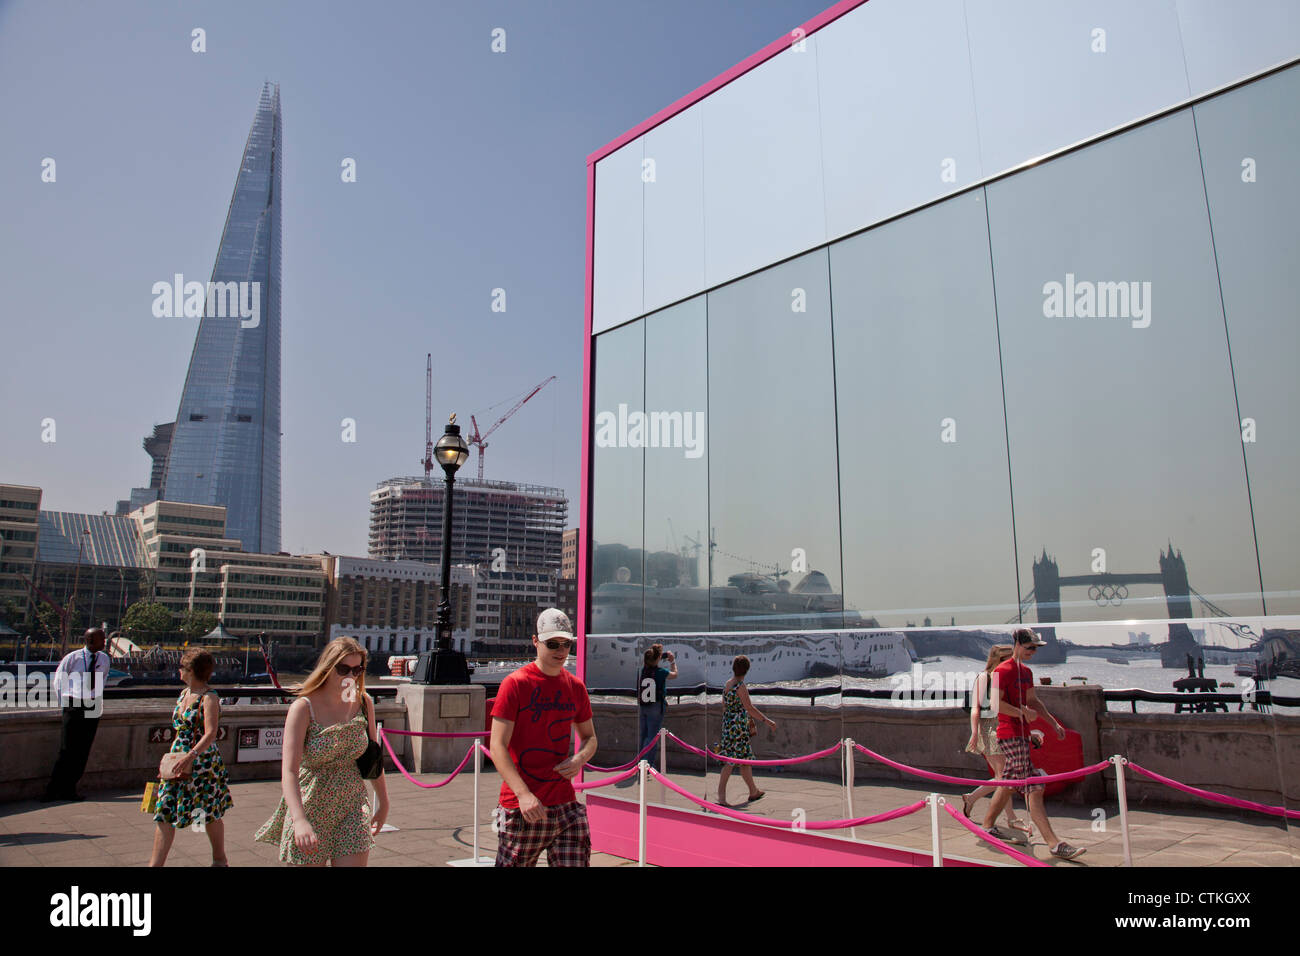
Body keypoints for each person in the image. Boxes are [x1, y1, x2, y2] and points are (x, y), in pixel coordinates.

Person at [255, 636, 389, 866]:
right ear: (327, 668)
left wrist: (384, 803)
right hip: (312, 802)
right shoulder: (304, 707)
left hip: (352, 804)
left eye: (357, 670)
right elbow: (289, 771)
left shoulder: (363, 702)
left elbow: (372, 760)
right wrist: (299, 819)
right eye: (343, 669)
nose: (350, 676)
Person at [489, 608, 597, 867]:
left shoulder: (575, 686)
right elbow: (497, 745)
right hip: (522, 807)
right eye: (553, 644)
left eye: (566, 644)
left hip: (565, 803)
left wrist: (579, 759)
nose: (561, 651)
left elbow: (590, 737)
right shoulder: (515, 684)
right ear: (535, 641)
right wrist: (523, 794)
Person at [981, 628, 1085, 860]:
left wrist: (1054, 724)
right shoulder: (1001, 671)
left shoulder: (1026, 672)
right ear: (1018, 644)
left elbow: (1033, 701)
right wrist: (1021, 713)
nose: (1033, 652)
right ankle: (1054, 844)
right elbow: (996, 705)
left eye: (1036, 648)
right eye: (1030, 647)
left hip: (1022, 734)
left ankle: (987, 825)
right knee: (1034, 787)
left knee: (1008, 782)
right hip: (1009, 734)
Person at [149, 648, 233, 866]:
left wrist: (191, 756)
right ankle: (155, 864)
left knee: (208, 812)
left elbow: (211, 733)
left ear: (191, 670)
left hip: (202, 763)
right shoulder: (184, 694)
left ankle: (219, 858)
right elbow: (179, 732)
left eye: (182, 667)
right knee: (165, 808)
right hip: (178, 758)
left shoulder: (209, 697)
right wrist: (168, 760)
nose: (179, 670)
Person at [961, 644, 1030, 835]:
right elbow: (975, 707)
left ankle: (972, 798)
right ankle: (1011, 818)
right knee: (1004, 776)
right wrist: (974, 732)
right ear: (995, 659)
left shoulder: (1007, 677)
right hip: (989, 727)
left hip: (1004, 725)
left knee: (1005, 776)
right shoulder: (985, 677)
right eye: (1004, 659)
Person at [42, 627, 110, 802]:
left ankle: (69, 789)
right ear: (90, 641)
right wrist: (66, 704)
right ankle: (52, 790)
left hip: (92, 704)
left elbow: (103, 680)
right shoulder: (72, 658)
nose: (105, 642)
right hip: (73, 704)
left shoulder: (104, 659)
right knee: (66, 750)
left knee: (83, 750)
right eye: (102, 639)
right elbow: (59, 681)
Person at [715, 655, 776, 807]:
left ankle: (753, 791)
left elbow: (724, 705)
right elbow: (749, 707)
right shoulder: (740, 686)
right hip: (738, 729)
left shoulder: (728, 683)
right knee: (731, 761)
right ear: (746, 670)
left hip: (729, 725)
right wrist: (767, 721)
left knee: (744, 760)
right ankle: (721, 798)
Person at [637, 643, 677, 756]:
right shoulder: (661, 672)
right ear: (658, 658)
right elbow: (675, 675)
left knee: (643, 736)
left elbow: (651, 658)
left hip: (643, 705)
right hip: (656, 706)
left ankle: (640, 764)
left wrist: (660, 656)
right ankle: (648, 764)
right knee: (652, 738)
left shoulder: (644, 670)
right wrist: (672, 661)